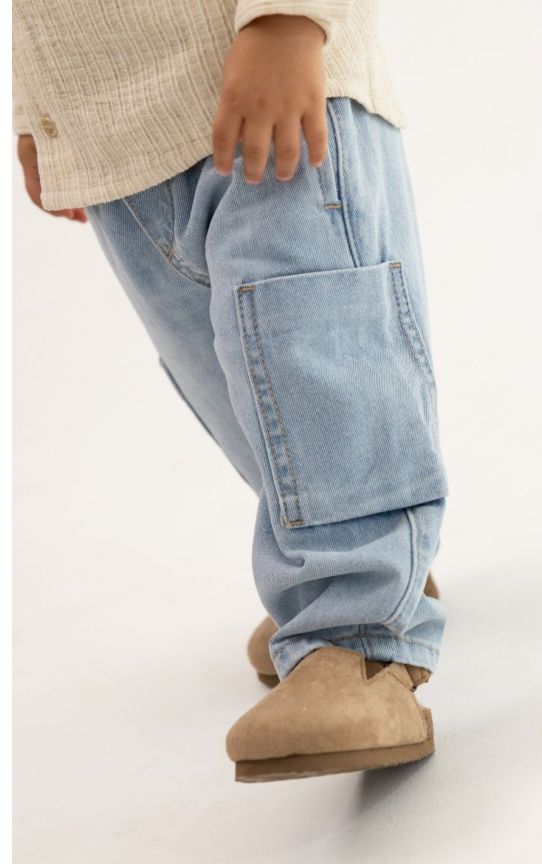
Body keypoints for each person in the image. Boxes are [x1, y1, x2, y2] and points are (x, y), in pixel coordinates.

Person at [14, 0, 449, 782]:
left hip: (262, 72)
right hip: (110, 128)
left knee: (311, 352)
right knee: (245, 385)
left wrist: (288, 19)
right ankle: (367, 563)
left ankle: (357, 638)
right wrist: (37, 104)